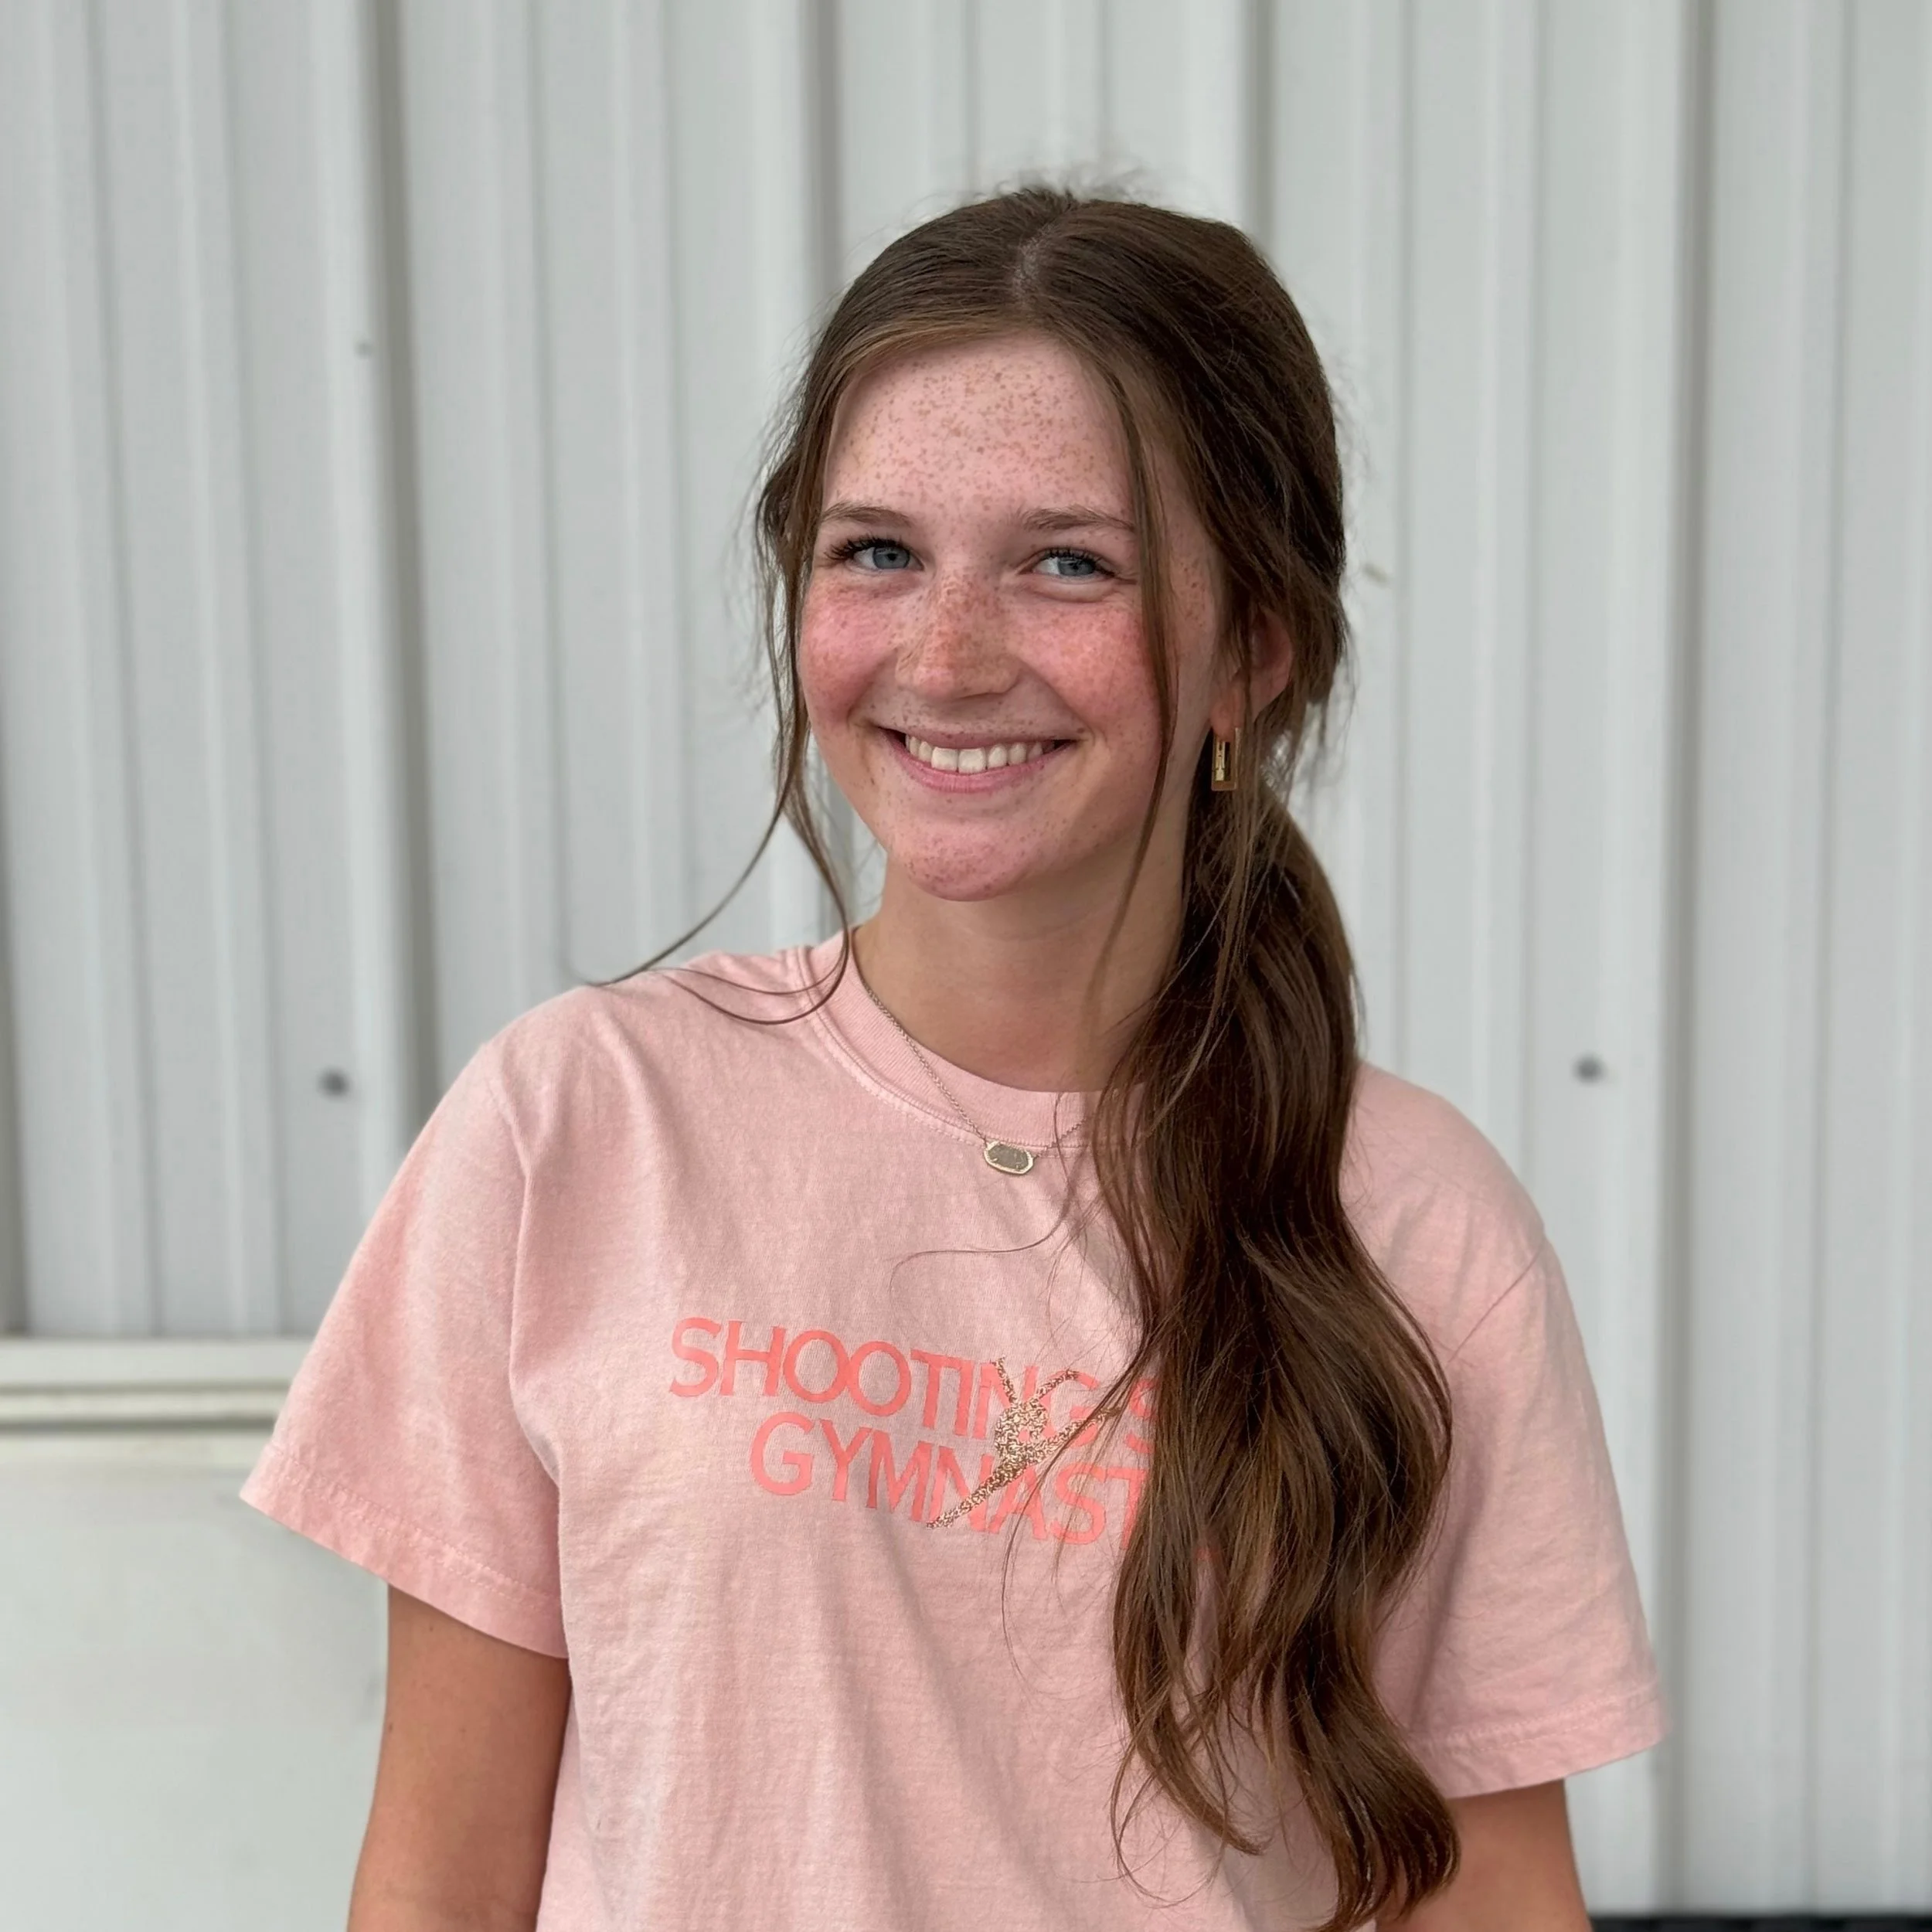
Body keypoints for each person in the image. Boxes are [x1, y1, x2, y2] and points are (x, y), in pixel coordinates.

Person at [243, 186, 1665, 1930]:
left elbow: (1487, 1893)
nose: (945, 652)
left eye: (1068, 560)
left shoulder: (1413, 1220)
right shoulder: (576, 1122)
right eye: (876, 552)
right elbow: (440, 1873)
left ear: (1254, 648)